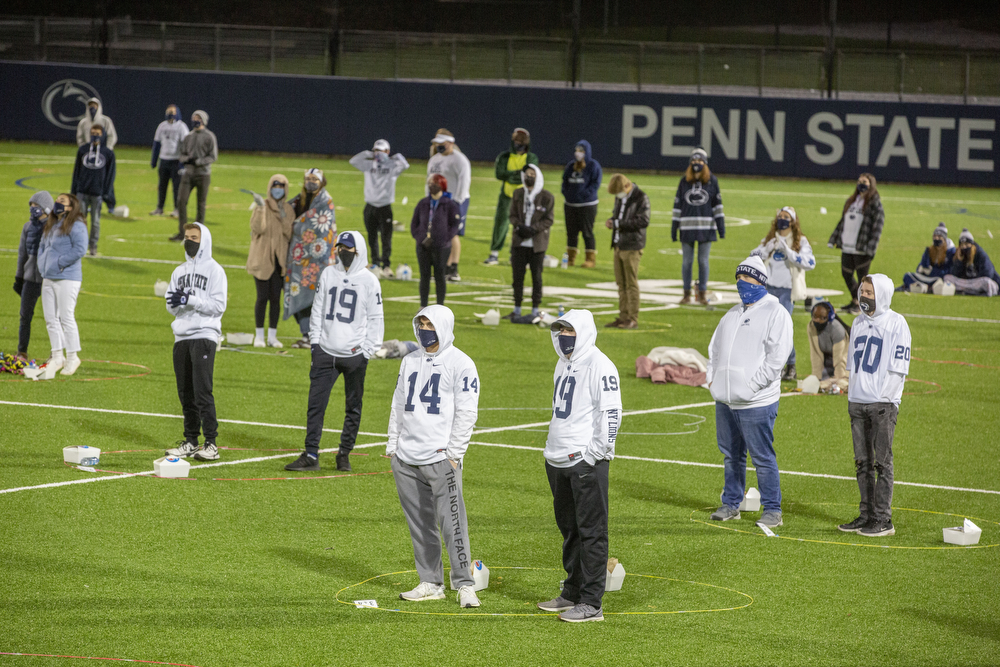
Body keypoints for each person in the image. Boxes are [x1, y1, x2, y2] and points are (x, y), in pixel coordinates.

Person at [386, 305, 482, 609]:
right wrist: (393, 445)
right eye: (421, 323)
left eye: (430, 324)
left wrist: (454, 454)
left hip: (441, 458)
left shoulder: (461, 363)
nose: (424, 329)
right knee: (420, 524)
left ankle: (465, 585)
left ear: (443, 326)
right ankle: (431, 582)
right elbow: (398, 403)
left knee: (453, 525)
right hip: (406, 457)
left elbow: (467, 412)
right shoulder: (410, 360)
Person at [537, 309, 622, 623]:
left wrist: (595, 454)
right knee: (570, 530)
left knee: (592, 532)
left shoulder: (601, 365)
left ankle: (591, 602)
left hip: (585, 462)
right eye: (560, 330)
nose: (563, 336)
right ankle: (572, 591)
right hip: (558, 459)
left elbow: (611, 413)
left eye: (569, 331)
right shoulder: (563, 363)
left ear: (584, 332)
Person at [285, 231, 384, 473]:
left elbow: (376, 318)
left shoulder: (370, 281)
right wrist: (315, 344)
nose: (343, 252)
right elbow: (317, 309)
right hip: (325, 352)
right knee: (315, 405)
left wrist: (367, 351)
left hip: (354, 354)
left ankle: (344, 453)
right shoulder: (329, 273)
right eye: (340, 247)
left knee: (353, 406)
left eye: (348, 248)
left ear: (358, 251)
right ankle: (311, 454)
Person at [706, 255, 792, 529]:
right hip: (726, 401)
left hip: (757, 402)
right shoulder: (731, 314)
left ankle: (773, 510)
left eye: (747, 278)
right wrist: (712, 381)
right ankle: (731, 504)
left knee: (762, 457)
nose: (741, 283)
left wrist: (751, 387)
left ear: (760, 281)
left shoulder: (776, 313)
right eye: (739, 278)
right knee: (731, 456)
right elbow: (714, 351)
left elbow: (776, 359)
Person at [838, 274, 911, 537]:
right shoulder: (858, 322)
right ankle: (866, 515)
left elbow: (899, 368)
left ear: (882, 294)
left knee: (882, 463)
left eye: (869, 292)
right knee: (862, 463)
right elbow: (853, 365)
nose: (864, 296)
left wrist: (885, 398)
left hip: (881, 404)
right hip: (857, 403)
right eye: (862, 291)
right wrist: (852, 395)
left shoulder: (896, 323)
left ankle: (883, 519)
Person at [163, 223, 228, 462]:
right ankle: (191, 441)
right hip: (181, 337)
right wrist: (176, 303)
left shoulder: (215, 270)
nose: (189, 241)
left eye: (194, 237)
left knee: (202, 391)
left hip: (204, 335)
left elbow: (218, 306)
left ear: (205, 241)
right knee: (185, 393)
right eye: (187, 237)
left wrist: (190, 300)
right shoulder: (178, 271)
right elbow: (171, 305)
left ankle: (211, 443)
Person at [752, 206, 816, 381]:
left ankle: (791, 364)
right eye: (780, 216)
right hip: (768, 289)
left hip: (787, 291)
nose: (782, 219)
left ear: (793, 221)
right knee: (767, 328)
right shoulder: (770, 238)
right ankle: (773, 365)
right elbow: (752, 256)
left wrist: (788, 252)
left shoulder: (800, 241)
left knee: (782, 329)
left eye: (786, 216)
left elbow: (810, 263)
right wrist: (766, 250)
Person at [285, 169, 338, 348]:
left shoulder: (325, 201)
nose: (310, 181)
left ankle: (311, 336)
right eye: (308, 178)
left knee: (312, 298)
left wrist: (296, 225)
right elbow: (286, 213)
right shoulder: (299, 200)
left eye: (314, 179)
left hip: (317, 261)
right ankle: (307, 334)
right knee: (297, 295)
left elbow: (321, 228)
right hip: (300, 260)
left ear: (322, 181)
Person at [37, 193, 88, 376]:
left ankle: (73, 357)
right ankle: (57, 357)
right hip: (49, 277)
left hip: (67, 278)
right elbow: (43, 246)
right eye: (57, 200)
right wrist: (42, 264)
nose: (57, 203)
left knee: (66, 317)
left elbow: (80, 249)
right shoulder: (53, 224)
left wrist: (59, 263)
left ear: (71, 207)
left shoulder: (77, 225)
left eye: (62, 201)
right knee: (50, 319)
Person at [246, 174, 295, 348]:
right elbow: (258, 228)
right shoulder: (262, 206)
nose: (278, 190)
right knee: (262, 297)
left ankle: (272, 337)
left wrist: (283, 215)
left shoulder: (288, 209)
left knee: (275, 299)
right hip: (262, 259)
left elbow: (289, 233)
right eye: (275, 186)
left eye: (281, 186)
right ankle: (259, 335)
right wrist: (260, 208)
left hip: (279, 261)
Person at [349, 139, 410, 278]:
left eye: (380, 151)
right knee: (372, 237)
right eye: (375, 150)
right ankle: (375, 263)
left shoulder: (392, 166)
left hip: (385, 206)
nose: (377, 153)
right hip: (370, 206)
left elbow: (405, 165)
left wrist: (395, 157)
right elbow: (353, 161)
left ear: (387, 151)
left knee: (386, 238)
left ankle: (386, 265)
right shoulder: (368, 164)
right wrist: (368, 154)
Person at [671, 148, 724, 305]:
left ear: (705, 163)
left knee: (703, 261)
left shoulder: (712, 181)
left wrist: (721, 227)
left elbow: (717, 206)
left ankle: (702, 293)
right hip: (687, 228)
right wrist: (674, 228)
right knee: (687, 262)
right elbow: (677, 206)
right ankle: (686, 293)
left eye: (700, 160)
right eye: (694, 160)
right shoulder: (684, 181)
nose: (696, 163)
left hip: (706, 228)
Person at [828, 173, 884, 314]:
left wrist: (871, 248)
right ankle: (855, 299)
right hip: (847, 245)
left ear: (871, 184)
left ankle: (861, 305)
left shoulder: (874, 203)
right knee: (846, 274)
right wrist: (834, 239)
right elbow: (843, 222)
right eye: (859, 181)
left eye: (864, 182)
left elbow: (878, 226)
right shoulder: (852, 201)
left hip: (862, 248)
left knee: (862, 280)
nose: (861, 184)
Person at [484, 128, 538, 267]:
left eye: (521, 142)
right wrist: (518, 174)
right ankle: (494, 254)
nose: (518, 144)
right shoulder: (504, 157)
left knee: (522, 226)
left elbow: (530, 175)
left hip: (524, 197)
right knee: (500, 224)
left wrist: (511, 175)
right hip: (507, 196)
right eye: (516, 141)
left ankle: (517, 255)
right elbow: (499, 174)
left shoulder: (531, 158)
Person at [507, 165, 554, 321]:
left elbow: (549, 219)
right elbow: (512, 215)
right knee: (517, 277)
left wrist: (533, 229)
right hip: (519, 242)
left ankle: (535, 309)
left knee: (537, 278)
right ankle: (517, 309)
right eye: (527, 174)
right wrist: (519, 227)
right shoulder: (518, 193)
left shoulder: (547, 197)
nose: (529, 177)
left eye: (532, 174)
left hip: (537, 244)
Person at [605, 174, 650, 330]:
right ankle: (623, 316)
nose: (617, 195)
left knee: (631, 284)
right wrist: (612, 220)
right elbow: (619, 215)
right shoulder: (621, 197)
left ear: (626, 186)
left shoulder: (641, 197)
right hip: (619, 244)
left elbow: (643, 221)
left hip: (632, 246)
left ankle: (632, 318)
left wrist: (618, 223)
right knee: (621, 284)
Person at [14, 191, 54, 362]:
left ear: (46, 208)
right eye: (31, 206)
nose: (33, 209)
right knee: (25, 316)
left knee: (53, 318)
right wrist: (19, 277)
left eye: (36, 206)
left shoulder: (55, 228)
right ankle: (22, 352)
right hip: (30, 279)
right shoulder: (27, 227)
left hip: (49, 279)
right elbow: (22, 254)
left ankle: (56, 353)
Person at [426, 130, 471, 282]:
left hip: (455, 201)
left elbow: (464, 181)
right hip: (437, 200)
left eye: (442, 144)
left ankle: (453, 269)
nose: (439, 146)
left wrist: (457, 202)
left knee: (452, 234)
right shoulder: (434, 160)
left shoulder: (460, 160)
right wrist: (428, 199)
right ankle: (442, 268)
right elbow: (429, 180)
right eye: (437, 144)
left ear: (450, 143)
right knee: (438, 234)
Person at [411, 174, 461, 308]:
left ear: (442, 185)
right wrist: (419, 237)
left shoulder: (449, 204)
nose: (431, 186)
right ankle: (423, 306)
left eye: (434, 184)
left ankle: (440, 306)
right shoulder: (423, 203)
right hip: (423, 245)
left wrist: (445, 238)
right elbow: (414, 222)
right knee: (424, 276)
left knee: (440, 276)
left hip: (441, 246)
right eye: (430, 184)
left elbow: (455, 224)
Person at [171, 110, 218, 241]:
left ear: (203, 120)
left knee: (201, 204)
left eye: (198, 118)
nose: (195, 120)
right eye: (194, 118)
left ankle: (197, 234)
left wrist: (199, 161)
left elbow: (213, 156)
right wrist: (187, 159)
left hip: (203, 174)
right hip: (188, 174)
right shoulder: (188, 137)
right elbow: (181, 154)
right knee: (181, 201)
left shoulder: (209, 136)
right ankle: (182, 233)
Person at [71, 123, 116, 256]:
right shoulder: (83, 150)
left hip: (97, 193)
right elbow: (76, 172)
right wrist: (74, 191)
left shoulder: (108, 153)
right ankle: (80, 245)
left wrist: (107, 193)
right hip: (82, 191)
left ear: (103, 136)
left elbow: (110, 175)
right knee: (80, 221)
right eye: (92, 134)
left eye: (97, 134)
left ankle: (93, 246)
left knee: (95, 222)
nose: (94, 136)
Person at [561, 140, 602, 268]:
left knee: (587, 232)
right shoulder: (570, 165)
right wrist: (566, 193)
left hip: (587, 205)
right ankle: (570, 258)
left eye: (581, 151)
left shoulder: (593, 166)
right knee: (571, 233)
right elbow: (564, 181)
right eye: (577, 150)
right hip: (570, 204)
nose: (578, 153)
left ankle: (590, 259)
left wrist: (584, 194)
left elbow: (595, 184)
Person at [150, 104, 190, 217]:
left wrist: (183, 162)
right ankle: (160, 208)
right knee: (162, 186)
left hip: (176, 161)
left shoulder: (181, 126)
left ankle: (177, 209)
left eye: (172, 112)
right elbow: (157, 144)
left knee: (177, 187)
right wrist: (154, 160)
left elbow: (185, 145)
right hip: (164, 160)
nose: (170, 114)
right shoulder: (162, 126)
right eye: (168, 112)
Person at [806, 300, 850, 393]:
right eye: (815, 317)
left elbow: (840, 358)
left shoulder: (837, 330)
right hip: (829, 360)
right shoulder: (811, 326)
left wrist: (840, 379)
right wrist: (816, 378)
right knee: (821, 382)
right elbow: (815, 353)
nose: (817, 320)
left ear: (829, 317)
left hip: (847, 360)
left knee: (841, 382)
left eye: (822, 318)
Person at [899, 223, 955, 292]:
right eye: (935, 236)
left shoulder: (951, 252)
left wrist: (932, 271)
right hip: (927, 277)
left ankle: (921, 287)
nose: (936, 238)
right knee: (907, 276)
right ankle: (924, 287)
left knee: (943, 280)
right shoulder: (929, 250)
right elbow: (922, 265)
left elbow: (950, 270)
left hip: (939, 278)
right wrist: (921, 268)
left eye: (939, 236)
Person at [944, 229, 1000, 297]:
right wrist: (959, 261)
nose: (964, 247)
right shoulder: (959, 254)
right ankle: (973, 291)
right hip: (967, 283)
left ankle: (967, 291)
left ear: (972, 244)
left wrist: (974, 279)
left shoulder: (980, 254)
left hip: (978, 281)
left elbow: (988, 273)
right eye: (962, 245)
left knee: (987, 282)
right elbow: (954, 274)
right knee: (947, 278)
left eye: (966, 244)